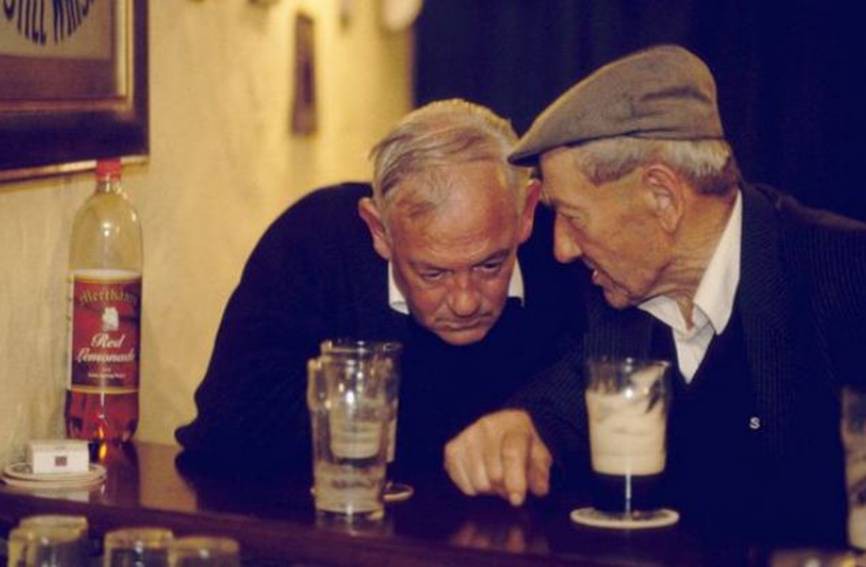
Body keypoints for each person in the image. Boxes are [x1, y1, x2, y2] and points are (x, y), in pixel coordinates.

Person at [443, 45, 866, 544]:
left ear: (663, 197)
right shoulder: (614, 299)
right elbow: (562, 402)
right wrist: (515, 429)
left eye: (573, 217)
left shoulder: (844, 273)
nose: (561, 249)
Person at [174, 99, 585, 481]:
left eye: (489, 265)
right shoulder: (316, 240)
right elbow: (227, 426)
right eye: (432, 273)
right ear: (379, 230)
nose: (465, 302)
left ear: (526, 212)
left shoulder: (573, 254)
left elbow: (603, 398)